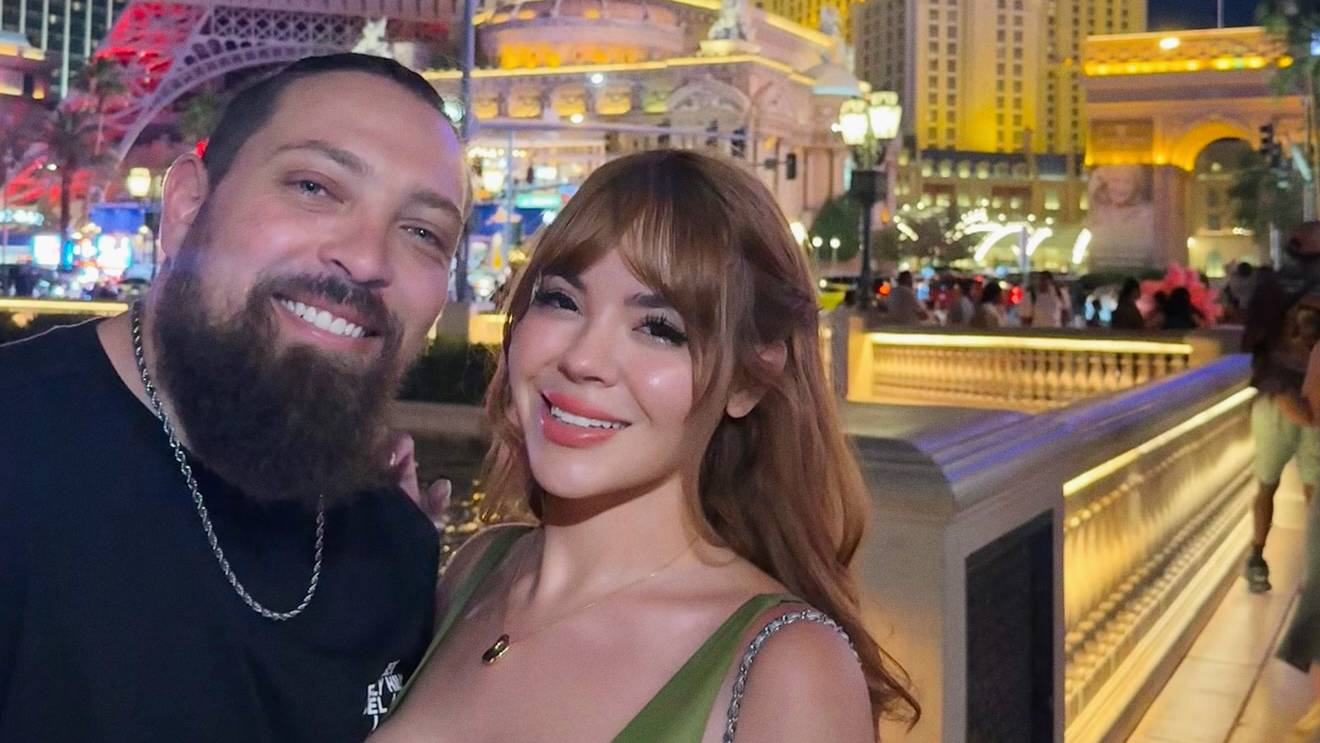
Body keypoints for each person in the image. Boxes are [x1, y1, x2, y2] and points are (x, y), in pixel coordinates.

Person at [372, 151, 919, 741]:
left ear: (749, 379)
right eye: (562, 300)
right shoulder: (477, 570)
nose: (584, 359)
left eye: (659, 329)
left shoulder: (789, 670)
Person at [0, 54, 468, 741]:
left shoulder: (397, 546)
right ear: (187, 206)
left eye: (424, 232)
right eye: (314, 187)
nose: (368, 258)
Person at [1240, 222, 1320, 595]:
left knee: (1277, 486)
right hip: (1290, 397)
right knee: (1285, 487)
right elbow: (1259, 346)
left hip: (1290, 397)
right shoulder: (1273, 289)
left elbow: (1253, 343)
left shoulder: (1270, 287)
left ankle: (1265, 558)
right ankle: (1266, 557)